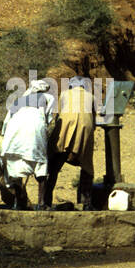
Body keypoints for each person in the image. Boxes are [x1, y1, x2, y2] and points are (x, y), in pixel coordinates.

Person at [0, 78, 56, 210]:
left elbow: (7, 121)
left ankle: (18, 203)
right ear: (43, 89)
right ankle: (41, 204)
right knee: (40, 165)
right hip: (34, 129)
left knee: (15, 166)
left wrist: (5, 136)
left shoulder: (19, 100)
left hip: (13, 133)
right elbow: (47, 118)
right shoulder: (48, 97)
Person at [43, 76, 96, 210]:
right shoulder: (91, 96)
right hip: (85, 129)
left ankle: (46, 201)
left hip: (65, 129)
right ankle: (87, 203)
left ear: (71, 86)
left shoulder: (64, 94)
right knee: (87, 166)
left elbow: (59, 115)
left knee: (54, 164)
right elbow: (95, 118)